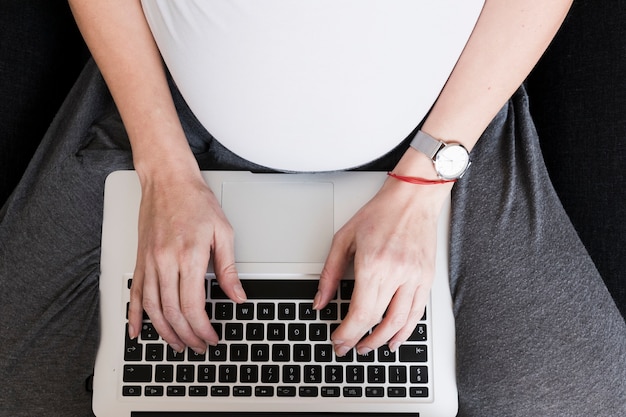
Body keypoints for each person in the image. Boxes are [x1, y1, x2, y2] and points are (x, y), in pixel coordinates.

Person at [0, 1, 624, 416]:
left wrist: (421, 185)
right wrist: (162, 167)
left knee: (582, 399)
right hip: (165, 112)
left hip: (440, 132)